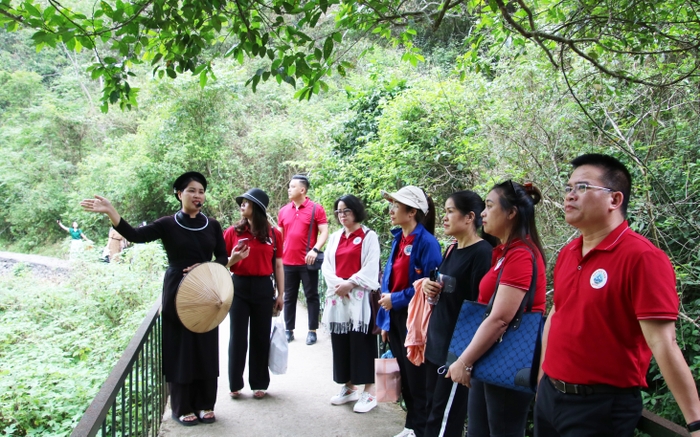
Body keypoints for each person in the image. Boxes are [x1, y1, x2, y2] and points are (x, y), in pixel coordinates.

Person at [535, 154, 700, 437]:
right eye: (568, 187)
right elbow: (556, 314)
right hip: (551, 397)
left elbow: (663, 342)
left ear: (615, 200)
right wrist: (542, 380)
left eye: (582, 188)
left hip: (599, 408)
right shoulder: (569, 252)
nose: (570, 195)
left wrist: (695, 423)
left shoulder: (643, 258)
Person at [80, 171, 228, 427]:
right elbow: (136, 235)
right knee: (181, 348)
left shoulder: (212, 225)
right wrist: (111, 211)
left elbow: (223, 259)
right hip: (177, 290)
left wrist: (202, 268)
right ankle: (182, 407)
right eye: (192, 190)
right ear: (179, 194)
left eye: (201, 191)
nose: (197, 195)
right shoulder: (167, 224)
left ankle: (206, 403)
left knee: (205, 346)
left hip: (206, 291)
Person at [447, 180, 547, 437]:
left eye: (489, 206)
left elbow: (501, 318)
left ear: (511, 213)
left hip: (508, 356)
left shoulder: (521, 254)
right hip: (489, 355)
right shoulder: (505, 252)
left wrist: (464, 360)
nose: (483, 212)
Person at [421, 191, 494, 437]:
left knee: (445, 421)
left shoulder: (482, 253)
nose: (444, 217)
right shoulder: (451, 249)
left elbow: (480, 308)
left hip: (457, 351)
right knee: (432, 411)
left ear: (470, 217)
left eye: (450, 211)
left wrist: (466, 359)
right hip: (436, 344)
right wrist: (430, 290)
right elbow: (446, 295)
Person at [376, 186, 443, 437]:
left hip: (413, 318)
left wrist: (397, 300)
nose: (391, 210)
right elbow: (389, 279)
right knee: (403, 373)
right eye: (391, 204)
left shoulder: (427, 243)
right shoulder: (398, 238)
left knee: (417, 377)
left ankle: (421, 427)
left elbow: (430, 288)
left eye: (397, 205)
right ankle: (411, 425)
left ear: (412, 211)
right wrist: (384, 320)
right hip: (393, 315)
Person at [321, 195, 381, 413]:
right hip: (338, 298)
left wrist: (351, 283)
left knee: (361, 342)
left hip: (360, 299)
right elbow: (327, 266)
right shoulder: (336, 237)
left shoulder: (368, 236)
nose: (342, 215)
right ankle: (348, 386)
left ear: (356, 211)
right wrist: (339, 285)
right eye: (339, 212)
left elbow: (371, 266)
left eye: (346, 211)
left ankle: (369, 390)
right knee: (341, 342)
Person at [223, 188, 284, 400]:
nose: (241, 205)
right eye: (241, 202)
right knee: (237, 337)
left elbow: (278, 265)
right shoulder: (233, 232)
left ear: (257, 208)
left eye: (246, 203)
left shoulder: (273, 234)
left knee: (260, 336)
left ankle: (259, 382)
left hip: (263, 287)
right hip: (238, 287)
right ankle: (235, 384)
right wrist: (234, 259)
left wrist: (281, 294)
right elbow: (222, 262)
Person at [277, 174, 329, 345]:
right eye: (289, 186)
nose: (289, 189)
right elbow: (280, 236)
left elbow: (324, 232)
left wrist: (315, 249)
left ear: (302, 190)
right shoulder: (283, 211)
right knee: (288, 296)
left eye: (292, 186)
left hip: (308, 262)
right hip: (287, 262)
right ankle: (288, 330)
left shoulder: (316, 208)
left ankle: (312, 330)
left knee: (311, 296)